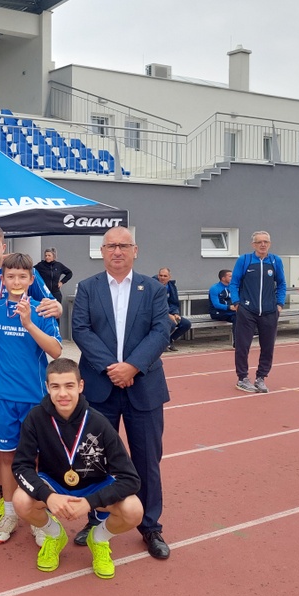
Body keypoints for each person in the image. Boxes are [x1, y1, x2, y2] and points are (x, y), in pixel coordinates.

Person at [70, 226, 172, 560]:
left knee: (147, 460)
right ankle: (96, 520)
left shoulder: (153, 289)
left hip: (144, 387)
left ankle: (150, 526)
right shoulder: (88, 288)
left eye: (124, 245)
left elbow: (161, 331)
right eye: (111, 246)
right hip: (100, 387)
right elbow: (81, 330)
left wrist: (132, 367)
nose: (117, 251)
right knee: (95, 459)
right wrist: (112, 368)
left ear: (135, 250)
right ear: (102, 251)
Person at [12, 358, 142, 578]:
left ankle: (98, 539)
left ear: (81, 386)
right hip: (54, 485)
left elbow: (131, 479)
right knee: (21, 500)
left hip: (94, 486)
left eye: (69, 386)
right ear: (47, 387)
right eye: (56, 386)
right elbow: (21, 466)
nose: (62, 393)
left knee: (134, 510)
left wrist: (90, 503)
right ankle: (54, 536)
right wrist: (48, 496)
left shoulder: (99, 423)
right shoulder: (36, 418)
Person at [0, 223, 60, 529]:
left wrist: (30, 325)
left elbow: (56, 349)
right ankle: (9, 509)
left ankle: (36, 514)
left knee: (34, 456)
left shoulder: (38, 307)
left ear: (31, 279)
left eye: (22, 277)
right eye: (11, 277)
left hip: (33, 394)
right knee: (3, 451)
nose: (16, 281)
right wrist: (9, 338)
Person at [229, 231, 286, 394]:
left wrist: (279, 304)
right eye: (259, 242)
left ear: (270, 243)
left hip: (269, 311)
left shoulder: (275, 261)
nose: (263, 244)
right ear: (253, 244)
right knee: (243, 346)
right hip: (247, 310)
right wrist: (237, 303)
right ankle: (242, 378)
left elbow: (281, 284)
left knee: (268, 347)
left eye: (266, 242)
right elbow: (234, 283)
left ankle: (261, 377)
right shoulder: (245, 260)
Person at [156, 267, 191, 352]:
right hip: (156, 314)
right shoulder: (153, 286)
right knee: (171, 323)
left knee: (186, 324)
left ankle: (169, 341)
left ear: (169, 277)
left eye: (165, 276)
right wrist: (168, 315)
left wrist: (175, 313)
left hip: (169, 313)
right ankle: (161, 344)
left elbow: (174, 302)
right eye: (161, 275)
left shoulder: (171, 287)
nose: (162, 278)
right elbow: (154, 305)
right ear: (158, 276)